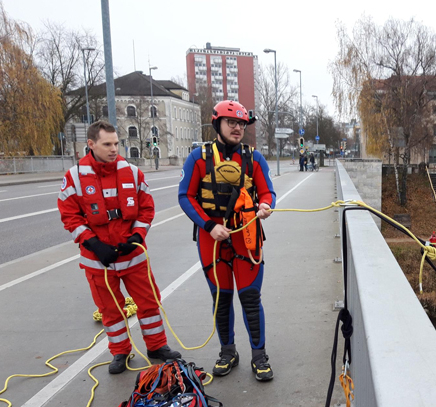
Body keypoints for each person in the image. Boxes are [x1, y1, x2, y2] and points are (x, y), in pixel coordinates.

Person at [58, 121, 181, 374]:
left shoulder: (133, 172)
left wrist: (137, 236)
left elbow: (146, 208)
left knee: (149, 304)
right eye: (107, 144)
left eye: (116, 143)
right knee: (110, 310)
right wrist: (93, 243)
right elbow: (70, 215)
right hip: (98, 259)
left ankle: (156, 346)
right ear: (90, 145)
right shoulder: (75, 177)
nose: (114, 149)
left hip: (133, 255)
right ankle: (120, 352)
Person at [178, 101, 276, 380]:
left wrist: (266, 206)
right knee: (221, 299)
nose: (237, 128)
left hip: (246, 237)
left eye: (242, 124)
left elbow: (268, 192)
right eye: (231, 122)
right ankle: (227, 352)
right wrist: (209, 226)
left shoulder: (254, 158)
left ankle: (259, 356)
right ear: (217, 124)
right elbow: (185, 196)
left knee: (250, 298)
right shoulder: (198, 157)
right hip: (213, 240)